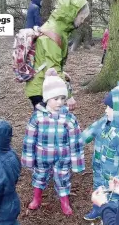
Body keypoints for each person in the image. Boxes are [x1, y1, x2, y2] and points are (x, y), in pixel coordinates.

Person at [21, 68, 85, 215]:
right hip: (42, 156)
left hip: (63, 157)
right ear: (46, 98)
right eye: (55, 99)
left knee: (63, 177)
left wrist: (76, 162)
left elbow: (75, 141)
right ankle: (36, 197)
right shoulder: (37, 117)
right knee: (40, 175)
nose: (60, 102)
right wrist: (29, 159)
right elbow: (29, 139)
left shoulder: (69, 118)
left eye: (63, 98)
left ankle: (64, 201)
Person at [82, 82, 119, 221]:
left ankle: (111, 218)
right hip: (99, 168)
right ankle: (97, 209)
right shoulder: (105, 122)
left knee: (113, 198)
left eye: (110, 107)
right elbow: (90, 131)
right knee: (98, 189)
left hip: (114, 178)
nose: (106, 110)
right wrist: (77, 141)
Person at [25, 0, 90, 109]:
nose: (83, 20)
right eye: (82, 17)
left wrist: (62, 72)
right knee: (46, 124)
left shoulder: (57, 28)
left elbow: (46, 59)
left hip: (42, 83)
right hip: (41, 88)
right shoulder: (54, 32)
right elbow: (53, 67)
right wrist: (68, 96)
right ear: (72, 13)